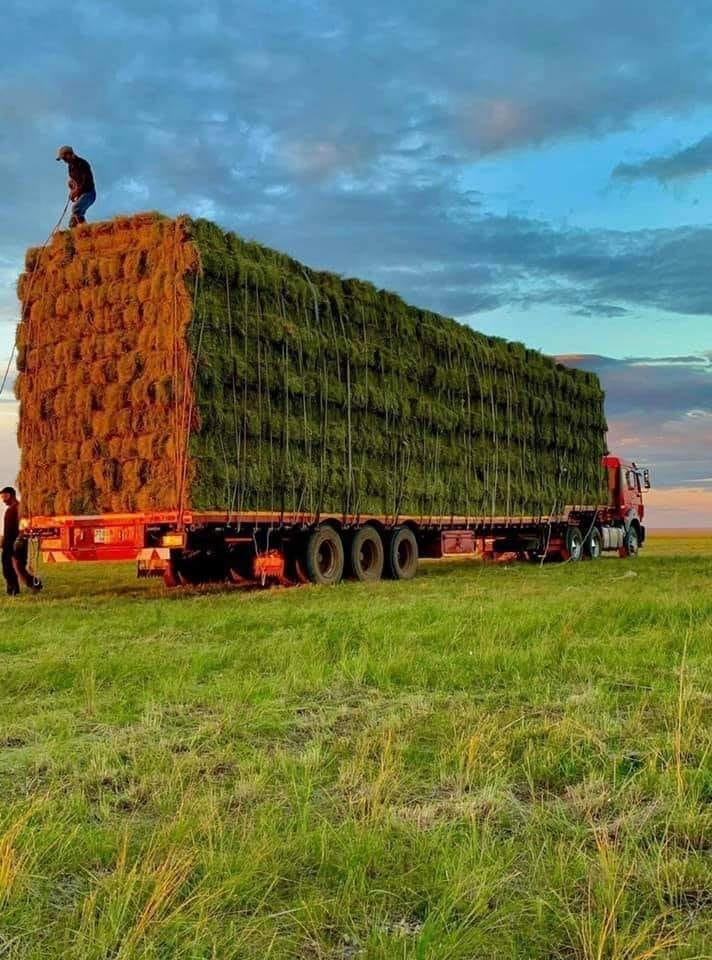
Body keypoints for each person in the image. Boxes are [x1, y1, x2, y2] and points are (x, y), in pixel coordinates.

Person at [1, 487, 42, 596]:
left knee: (16, 567)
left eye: (4, 497)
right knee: (10, 568)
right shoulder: (12, 509)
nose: (3, 500)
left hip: (16, 543)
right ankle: (14, 590)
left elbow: (23, 525)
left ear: (9, 495)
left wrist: (19, 539)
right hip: (10, 543)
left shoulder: (18, 508)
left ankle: (34, 585)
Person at [56, 146, 96, 227]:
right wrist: (72, 185)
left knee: (76, 209)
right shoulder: (70, 167)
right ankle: (81, 233)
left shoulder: (82, 163)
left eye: (64, 158)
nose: (64, 161)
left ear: (70, 154)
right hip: (81, 194)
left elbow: (87, 182)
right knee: (75, 219)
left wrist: (77, 191)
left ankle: (83, 231)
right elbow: (74, 180)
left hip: (89, 193)